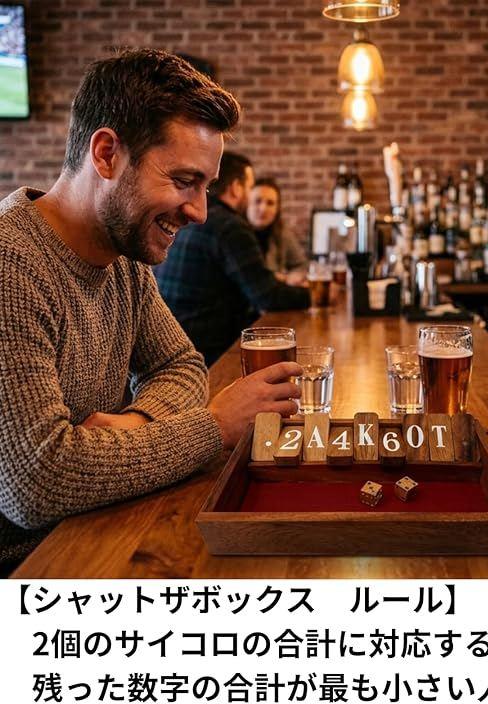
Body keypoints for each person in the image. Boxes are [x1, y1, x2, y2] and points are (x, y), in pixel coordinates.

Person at [0, 49, 302, 573]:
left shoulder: (123, 258)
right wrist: (214, 427)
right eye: (184, 181)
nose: (200, 212)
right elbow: (35, 483)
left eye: (206, 186)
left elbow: (181, 366)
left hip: (103, 526)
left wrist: (133, 424)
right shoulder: (11, 265)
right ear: (106, 155)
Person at [155, 155, 310, 366]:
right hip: (207, 353)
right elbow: (267, 297)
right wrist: (314, 295)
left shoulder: (190, 220)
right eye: (250, 187)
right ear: (236, 188)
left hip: (171, 341)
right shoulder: (230, 226)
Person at [247, 177, 308, 286]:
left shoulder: (282, 233)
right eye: (257, 201)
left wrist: (290, 277)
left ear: (277, 209)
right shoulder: (235, 233)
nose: (263, 209)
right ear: (247, 203)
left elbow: (302, 266)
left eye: (270, 203)